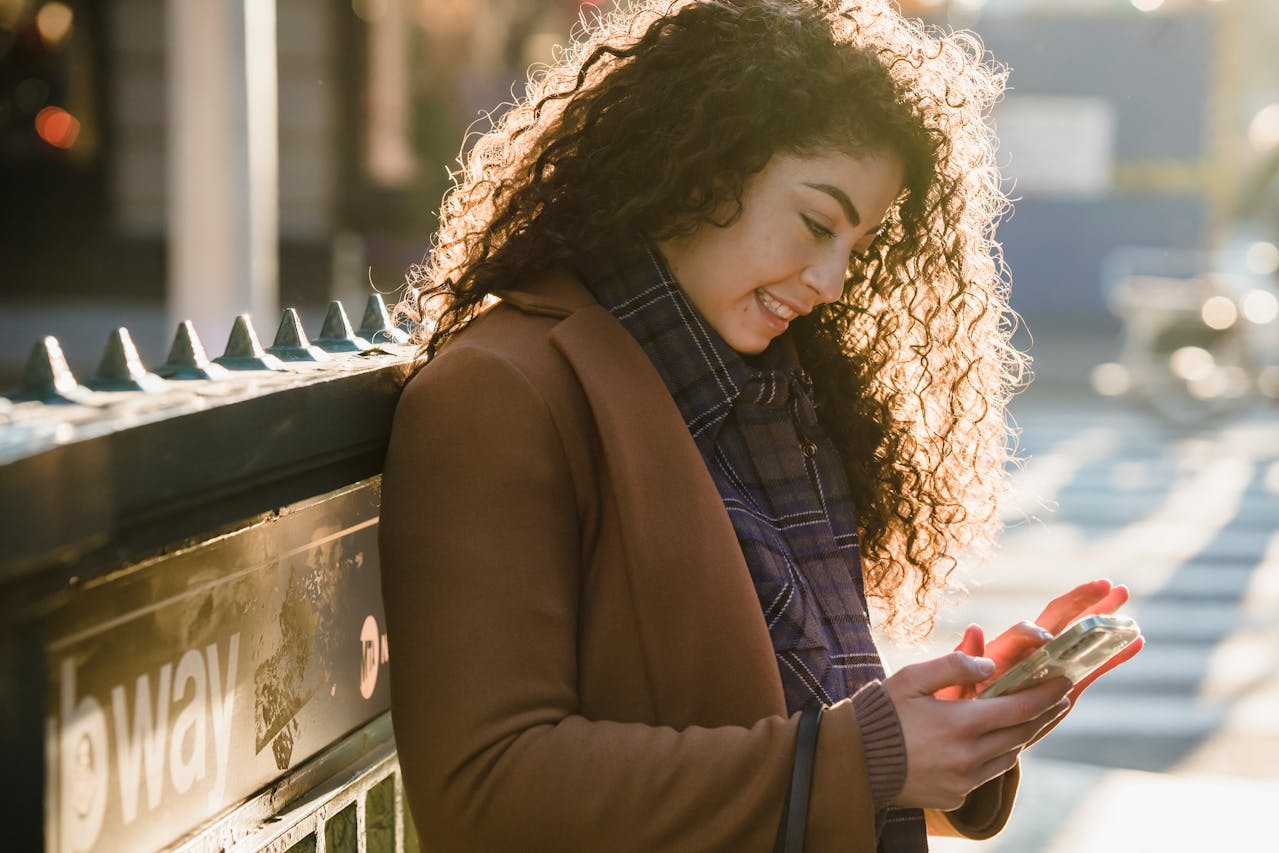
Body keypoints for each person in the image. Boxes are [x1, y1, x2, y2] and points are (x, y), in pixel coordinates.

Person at [377, 1, 1143, 850]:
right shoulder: (503, 391)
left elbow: (771, 724)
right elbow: (486, 791)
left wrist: (949, 733)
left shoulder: (775, 399)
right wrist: (869, 755)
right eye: (817, 223)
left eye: (856, 246)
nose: (831, 279)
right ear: (698, 169)